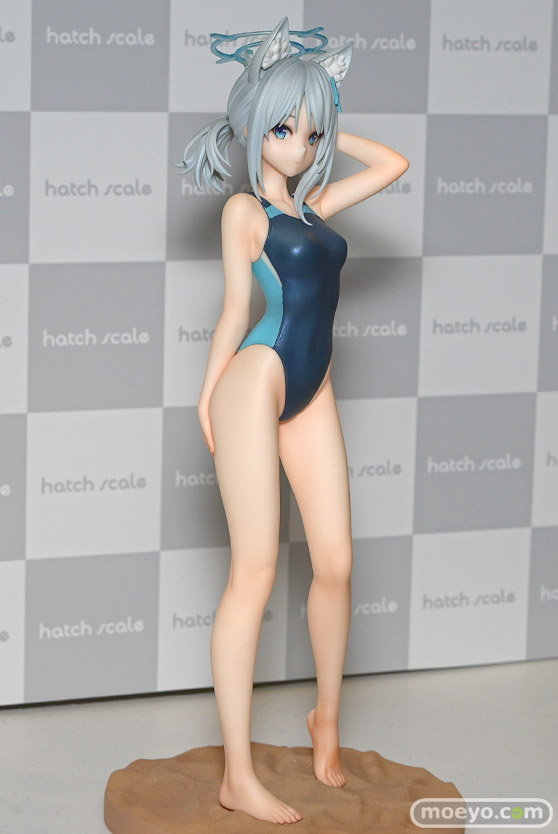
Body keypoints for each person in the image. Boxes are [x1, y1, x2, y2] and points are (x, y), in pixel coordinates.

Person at [175, 16, 409, 825]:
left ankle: (325, 723)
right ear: (253, 126)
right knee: (254, 574)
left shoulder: (314, 208)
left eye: (312, 133)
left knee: (336, 562)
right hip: (258, 380)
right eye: (283, 128)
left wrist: (325, 109)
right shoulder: (245, 211)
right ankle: (237, 774)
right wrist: (207, 395)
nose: (301, 145)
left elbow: (394, 163)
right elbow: (235, 311)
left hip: (315, 386)